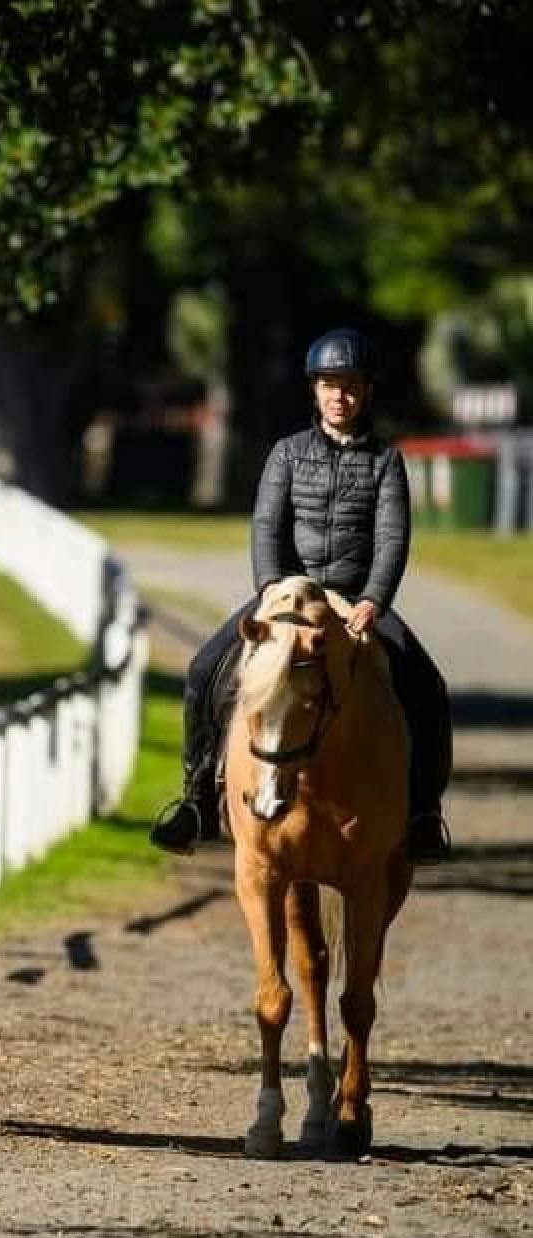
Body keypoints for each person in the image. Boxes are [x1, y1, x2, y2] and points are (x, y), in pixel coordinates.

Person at [149, 327, 453, 863]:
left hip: (357, 600)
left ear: (367, 392)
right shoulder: (285, 455)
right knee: (202, 671)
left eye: (352, 385)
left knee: (426, 684)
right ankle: (196, 798)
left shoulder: (385, 462)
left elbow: (392, 538)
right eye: (331, 384)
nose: (341, 396)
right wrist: (271, 589)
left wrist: (374, 600)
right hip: (289, 596)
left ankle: (424, 811)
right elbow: (266, 526)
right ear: (314, 390)